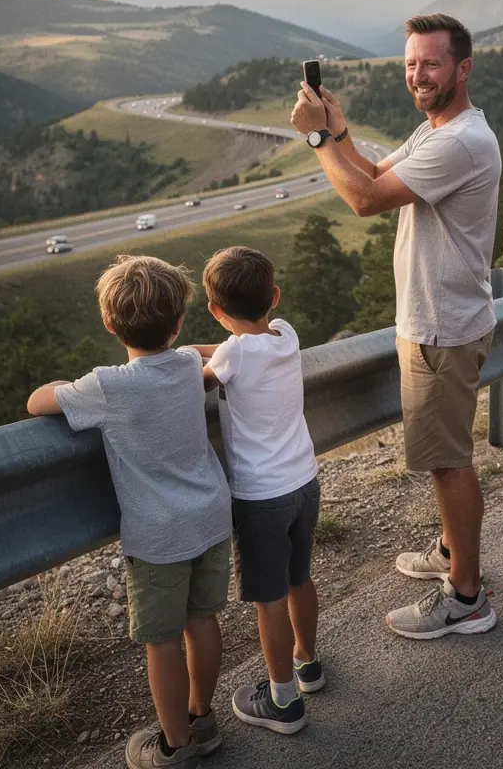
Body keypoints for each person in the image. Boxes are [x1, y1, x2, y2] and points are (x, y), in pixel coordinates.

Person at [290, 13, 500, 640]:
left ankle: (466, 596)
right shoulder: (437, 130)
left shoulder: (459, 140)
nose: (418, 75)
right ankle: (449, 552)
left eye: (430, 64)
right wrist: (340, 130)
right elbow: (376, 175)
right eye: (411, 64)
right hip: (440, 319)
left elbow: (362, 200)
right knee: (445, 456)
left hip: (443, 327)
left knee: (448, 461)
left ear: (462, 68)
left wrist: (318, 143)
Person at [27, 255, 232, 769]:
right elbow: (219, 352)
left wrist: (63, 384)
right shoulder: (189, 363)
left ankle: (173, 747)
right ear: (179, 321)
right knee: (202, 620)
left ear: (109, 324)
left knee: (161, 642)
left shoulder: (107, 385)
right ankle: (201, 720)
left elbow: (37, 402)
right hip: (211, 516)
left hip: (159, 536)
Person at [191, 246, 321, 736]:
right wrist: (208, 347)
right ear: (275, 297)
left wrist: (182, 356)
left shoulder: (231, 356)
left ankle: (283, 701)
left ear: (215, 310)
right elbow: (233, 348)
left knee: (269, 599)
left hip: (259, 498)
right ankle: (308, 665)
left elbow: (200, 377)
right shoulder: (285, 333)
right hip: (304, 482)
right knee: (298, 579)